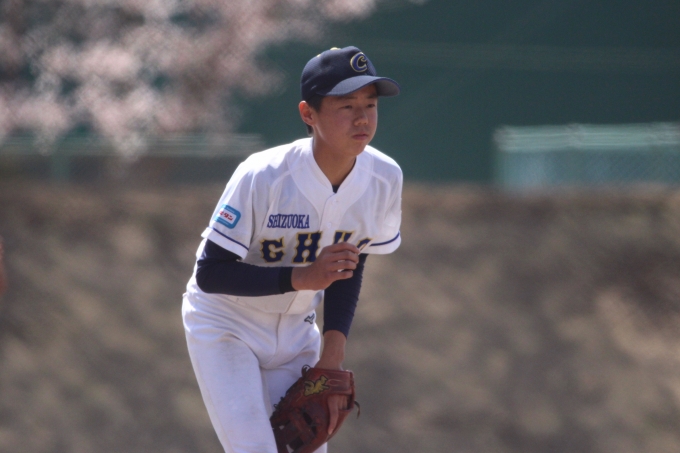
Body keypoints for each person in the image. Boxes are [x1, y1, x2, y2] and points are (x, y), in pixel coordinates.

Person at [182, 46, 403, 453]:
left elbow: (349, 267)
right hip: (227, 325)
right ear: (308, 114)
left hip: (298, 332)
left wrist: (332, 356)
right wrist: (302, 277)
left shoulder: (384, 177)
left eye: (370, 104)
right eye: (346, 105)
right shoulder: (263, 175)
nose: (362, 117)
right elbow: (210, 273)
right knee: (255, 448)